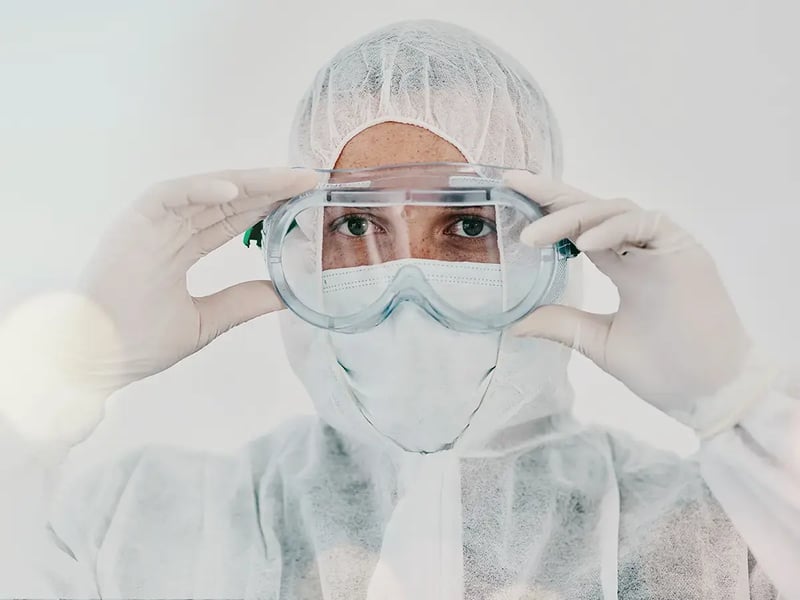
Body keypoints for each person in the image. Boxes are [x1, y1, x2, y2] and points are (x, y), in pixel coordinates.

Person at [1, 19, 798, 600]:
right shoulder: (146, 526)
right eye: (355, 225)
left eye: (467, 225)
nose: (406, 282)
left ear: (553, 245)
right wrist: (58, 382)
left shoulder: (716, 534)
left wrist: (742, 404)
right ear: (297, 246)